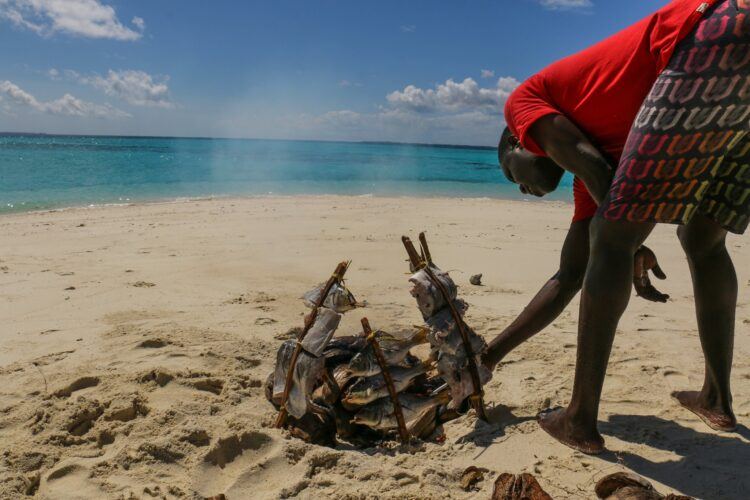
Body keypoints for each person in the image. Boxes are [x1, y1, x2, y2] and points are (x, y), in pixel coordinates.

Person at [489, 0, 748, 454]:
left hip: (711, 28)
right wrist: (486, 357)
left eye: (512, 174)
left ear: (517, 140)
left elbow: (607, 204)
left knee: (616, 238)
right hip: (734, 44)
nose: (523, 190)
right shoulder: (598, 165)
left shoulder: (523, 105)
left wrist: (627, 245)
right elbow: (570, 272)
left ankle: (580, 421)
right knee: (703, 238)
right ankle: (717, 399)